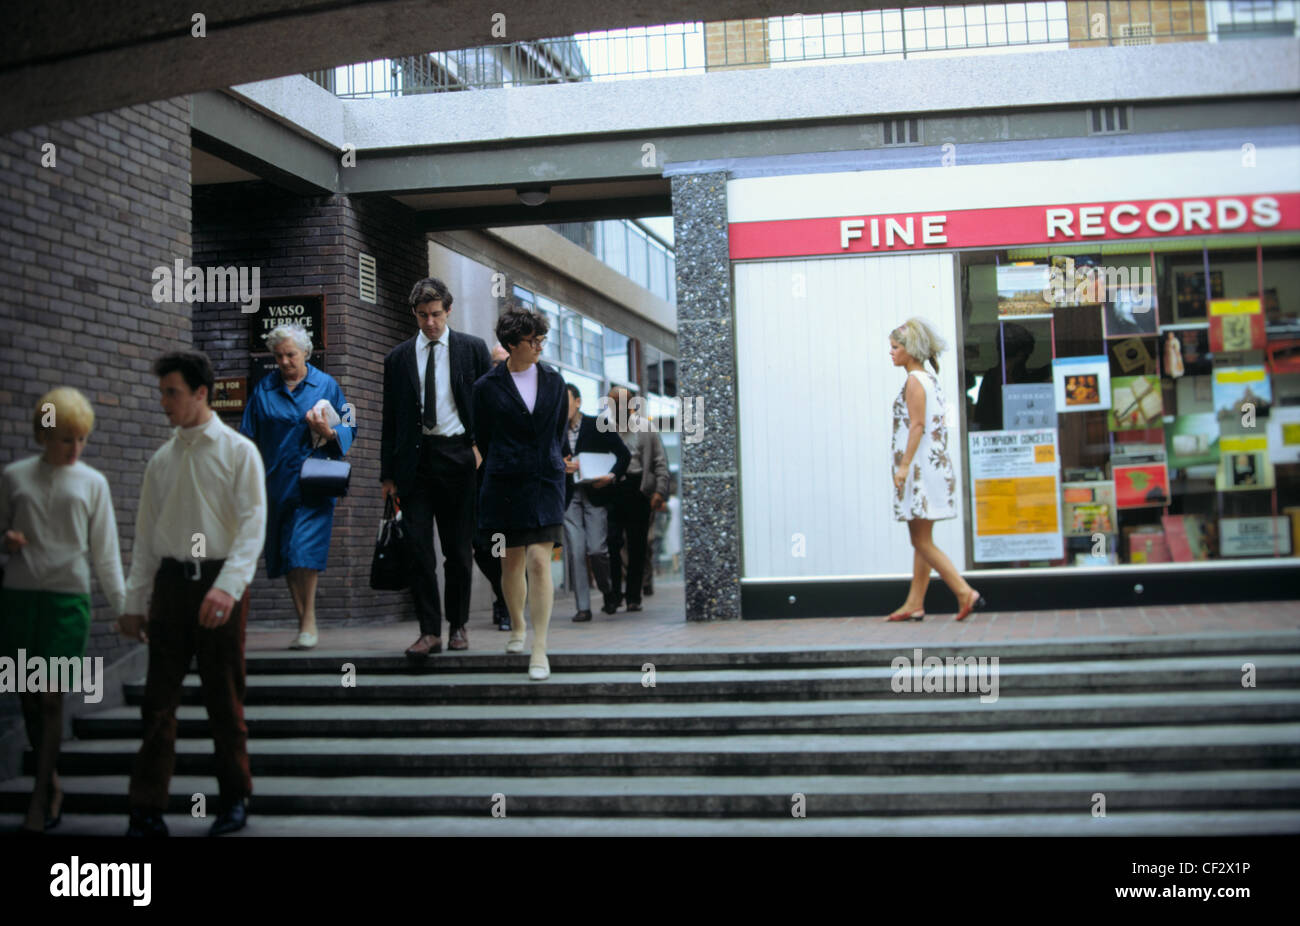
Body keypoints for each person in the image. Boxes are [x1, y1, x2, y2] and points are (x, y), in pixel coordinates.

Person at [116, 351, 267, 836]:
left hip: (221, 581)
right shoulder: (161, 460)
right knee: (157, 702)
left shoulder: (238, 452)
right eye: (162, 392)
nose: (164, 402)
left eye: (171, 392)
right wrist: (134, 603)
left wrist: (227, 589)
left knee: (224, 698)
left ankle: (234, 800)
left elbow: (252, 528)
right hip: (170, 586)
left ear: (201, 393)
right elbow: (145, 538)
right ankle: (145, 808)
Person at [2, 388, 126, 835]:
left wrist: (126, 610)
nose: (74, 449)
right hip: (18, 601)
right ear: (42, 435)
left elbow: (106, 554)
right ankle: (48, 778)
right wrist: (6, 541)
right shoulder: (14, 477)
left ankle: (41, 793)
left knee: (51, 697)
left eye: (81, 440)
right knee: (28, 697)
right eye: (64, 440)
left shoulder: (93, 483)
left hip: (67, 602)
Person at [381, 278, 491, 658]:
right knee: (418, 550)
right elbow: (390, 419)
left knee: (458, 552)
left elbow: (485, 406)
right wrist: (387, 475)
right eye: (423, 315)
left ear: (448, 311)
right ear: (414, 313)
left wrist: (481, 451)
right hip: (415, 462)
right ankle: (429, 631)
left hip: (459, 457)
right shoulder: (397, 358)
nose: (430, 322)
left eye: (436, 314)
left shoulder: (471, 350)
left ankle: (458, 625)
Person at [239, 325, 354, 650]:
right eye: (279, 356)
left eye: (291, 354)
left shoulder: (326, 385)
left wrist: (329, 433)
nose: (285, 361)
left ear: (306, 352)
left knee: (303, 549)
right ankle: (302, 618)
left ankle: (308, 621)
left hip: (314, 482)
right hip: (275, 485)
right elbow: (248, 436)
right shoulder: (264, 389)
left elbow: (349, 425)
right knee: (287, 553)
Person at [472, 308, 568, 679]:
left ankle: (540, 647)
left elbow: (557, 431)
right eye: (533, 340)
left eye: (542, 338)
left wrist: (550, 460)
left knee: (540, 562)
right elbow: (481, 433)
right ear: (512, 344)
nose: (539, 345)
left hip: (545, 480)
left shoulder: (554, 381)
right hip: (504, 482)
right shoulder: (486, 387)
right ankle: (516, 625)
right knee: (510, 562)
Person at [886, 319, 984, 623]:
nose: (890, 353)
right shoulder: (928, 379)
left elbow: (917, 426)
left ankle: (964, 592)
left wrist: (903, 468)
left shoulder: (914, 381)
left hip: (919, 471)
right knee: (922, 538)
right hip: (931, 467)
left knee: (920, 540)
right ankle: (915, 602)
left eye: (895, 347)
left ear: (910, 351)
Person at [560, 382, 630, 622]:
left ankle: (608, 590)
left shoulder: (597, 426)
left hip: (596, 493)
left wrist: (610, 477)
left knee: (597, 550)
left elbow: (624, 455)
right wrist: (561, 465)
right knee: (577, 552)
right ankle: (583, 607)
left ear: (578, 402)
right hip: (569, 496)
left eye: (566, 401)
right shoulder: (554, 430)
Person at [601, 387, 669, 614]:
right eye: (612, 402)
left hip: (638, 489)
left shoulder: (645, 428)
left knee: (638, 545)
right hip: (612, 489)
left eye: (620, 402)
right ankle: (613, 595)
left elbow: (660, 461)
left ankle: (633, 596)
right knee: (612, 542)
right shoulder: (604, 428)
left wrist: (659, 490)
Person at [473, 342, 512, 632]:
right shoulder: (482, 391)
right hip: (482, 482)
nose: (499, 368)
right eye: (495, 363)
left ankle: (508, 603)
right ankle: (503, 594)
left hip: (514, 484)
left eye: (504, 362)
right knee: (482, 549)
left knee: (512, 548)